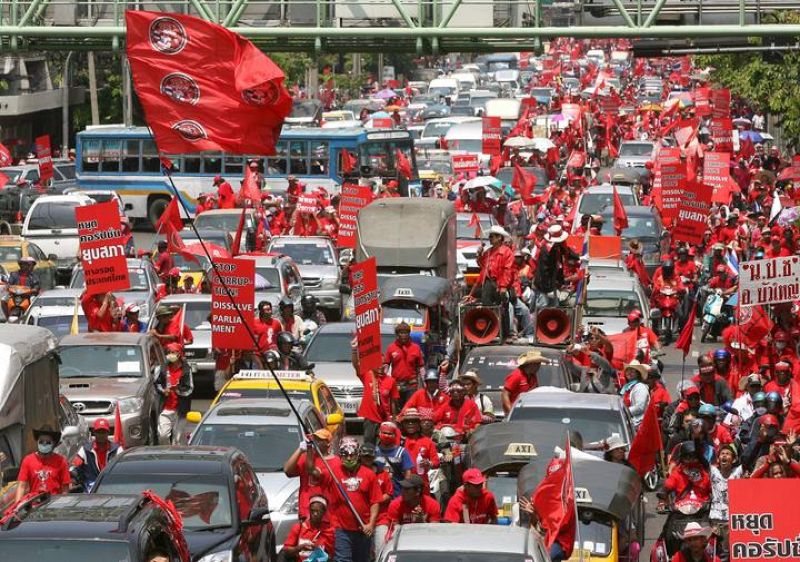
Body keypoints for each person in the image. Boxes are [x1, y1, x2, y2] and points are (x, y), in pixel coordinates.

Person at [308, 438, 382, 562]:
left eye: (352, 455)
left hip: (363, 529)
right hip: (341, 529)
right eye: (345, 455)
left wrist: (371, 524)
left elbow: (375, 501)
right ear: (340, 456)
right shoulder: (333, 472)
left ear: (357, 455)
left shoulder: (369, 474)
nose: (348, 458)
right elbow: (312, 471)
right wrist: (309, 448)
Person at [283, 428, 335, 521]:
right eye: (315, 439)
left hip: (325, 514)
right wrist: (300, 450)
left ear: (328, 443)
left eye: (320, 439)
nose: (316, 441)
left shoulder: (334, 462)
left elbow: (312, 470)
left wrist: (309, 450)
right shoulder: (305, 457)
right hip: (306, 511)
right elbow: (287, 470)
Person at [475, 225, 515, 337]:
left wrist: (503, 286)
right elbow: (482, 265)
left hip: (499, 283)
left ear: (499, 238)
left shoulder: (507, 252)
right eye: (490, 236)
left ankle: (505, 334)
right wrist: (479, 255)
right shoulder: (488, 252)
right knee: (487, 307)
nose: (490, 238)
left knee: (503, 309)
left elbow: (508, 271)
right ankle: (490, 331)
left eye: (492, 236)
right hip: (488, 283)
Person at [15, 425, 71, 501]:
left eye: (48, 442)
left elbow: (65, 488)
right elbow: (21, 486)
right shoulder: (28, 460)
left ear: (53, 444)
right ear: (37, 442)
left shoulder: (61, 461)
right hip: (34, 505)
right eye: (41, 442)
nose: (44, 444)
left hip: (54, 504)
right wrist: (16, 508)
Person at [154, 344, 193, 445]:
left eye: (173, 352)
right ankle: (165, 454)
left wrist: (177, 390)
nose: (170, 355)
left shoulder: (186, 370)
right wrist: (164, 390)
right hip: (165, 409)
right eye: (169, 352)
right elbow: (156, 384)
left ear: (179, 354)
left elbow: (190, 389)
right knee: (162, 435)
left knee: (177, 440)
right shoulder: (162, 368)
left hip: (180, 411)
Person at [70, 418, 123, 493]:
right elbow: (75, 467)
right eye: (99, 432)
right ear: (94, 433)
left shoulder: (117, 450)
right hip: (91, 488)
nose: (101, 435)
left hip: (112, 486)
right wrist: (72, 478)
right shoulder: (85, 449)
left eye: (103, 432)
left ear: (108, 433)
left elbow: (122, 470)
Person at [709, 444, 741, 562]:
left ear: (733, 459)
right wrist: (697, 437)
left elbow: (749, 457)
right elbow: (700, 459)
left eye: (728, 454)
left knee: (727, 554)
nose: (724, 456)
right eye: (722, 454)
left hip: (731, 521)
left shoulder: (737, 473)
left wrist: (759, 442)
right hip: (714, 521)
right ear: (718, 459)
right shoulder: (713, 472)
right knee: (713, 552)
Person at [279, 496, 335, 562]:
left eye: (318, 511)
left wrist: (320, 552)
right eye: (312, 511)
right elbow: (285, 551)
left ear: (324, 512)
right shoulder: (299, 527)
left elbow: (332, 556)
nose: (315, 514)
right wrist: (300, 548)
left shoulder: (328, 530)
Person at [384, 322, 425, 408]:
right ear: (397, 334)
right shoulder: (391, 348)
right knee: (397, 409)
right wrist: (382, 380)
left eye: (406, 333)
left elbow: (421, 367)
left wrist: (424, 382)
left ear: (409, 334)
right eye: (401, 333)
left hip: (411, 385)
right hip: (396, 385)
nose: (403, 335)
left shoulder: (416, 348)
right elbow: (386, 365)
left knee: (409, 410)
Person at [399, 408, 439, 492]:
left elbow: (436, 462)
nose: (410, 424)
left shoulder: (428, 442)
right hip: (403, 483)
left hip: (422, 484)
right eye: (407, 421)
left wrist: (428, 463)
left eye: (414, 421)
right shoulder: (399, 441)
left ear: (419, 424)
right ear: (403, 424)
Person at [375, 421, 414, 497]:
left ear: (395, 435)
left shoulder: (402, 452)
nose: (386, 436)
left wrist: (406, 491)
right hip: (378, 492)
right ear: (379, 434)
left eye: (390, 434)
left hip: (397, 492)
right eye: (384, 433)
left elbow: (408, 474)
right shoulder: (374, 451)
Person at [502, 350, 545, 415]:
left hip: (527, 413)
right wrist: (511, 411)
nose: (539, 366)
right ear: (531, 364)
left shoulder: (533, 376)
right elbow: (505, 394)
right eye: (538, 364)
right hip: (516, 413)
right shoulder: (516, 375)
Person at [621, 360, 651, 430]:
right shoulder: (628, 387)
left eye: (632, 370)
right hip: (631, 423)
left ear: (637, 374)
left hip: (639, 424)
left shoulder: (640, 387)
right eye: (628, 370)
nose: (629, 372)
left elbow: (640, 407)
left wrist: (623, 412)